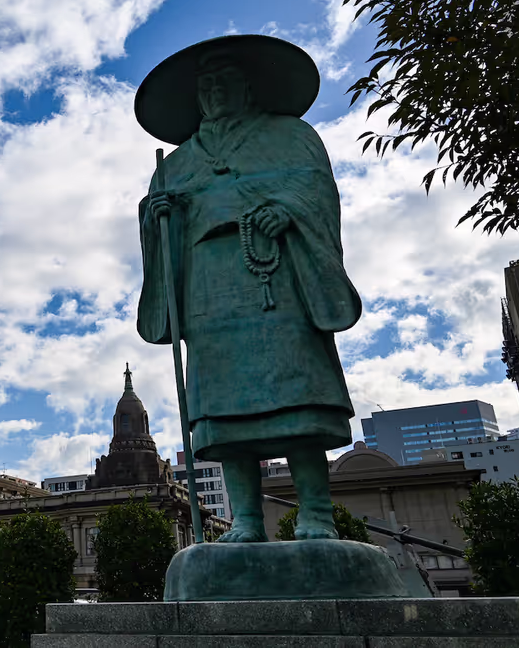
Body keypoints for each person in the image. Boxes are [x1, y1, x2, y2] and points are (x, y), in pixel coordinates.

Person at [135, 35, 361, 543]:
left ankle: (316, 514)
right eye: (206, 84)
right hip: (208, 290)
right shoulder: (176, 162)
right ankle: (246, 520)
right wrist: (158, 217)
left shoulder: (290, 135)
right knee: (221, 410)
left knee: (297, 394)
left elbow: (315, 190)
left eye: (225, 81)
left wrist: (287, 209)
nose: (214, 91)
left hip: (274, 275)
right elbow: (158, 217)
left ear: (249, 87)